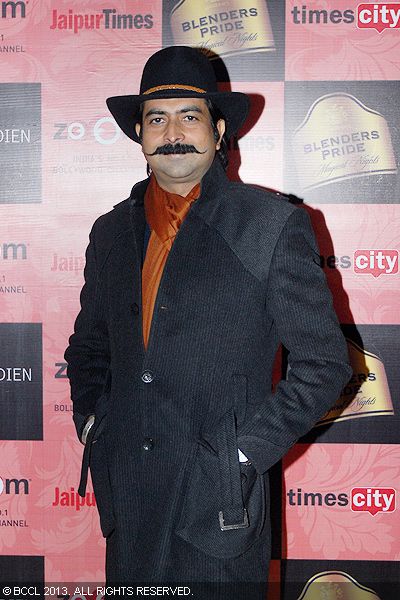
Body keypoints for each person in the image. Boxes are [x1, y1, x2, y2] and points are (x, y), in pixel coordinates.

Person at [64, 46, 352, 597]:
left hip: (219, 498)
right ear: (140, 136)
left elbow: (323, 363)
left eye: (189, 116)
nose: (172, 131)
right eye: (156, 118)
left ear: (219, 131)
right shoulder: (109, 233)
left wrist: (243, 454)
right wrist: (93, 423)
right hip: (129, 493)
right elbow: (89, 347)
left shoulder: (270, 226)